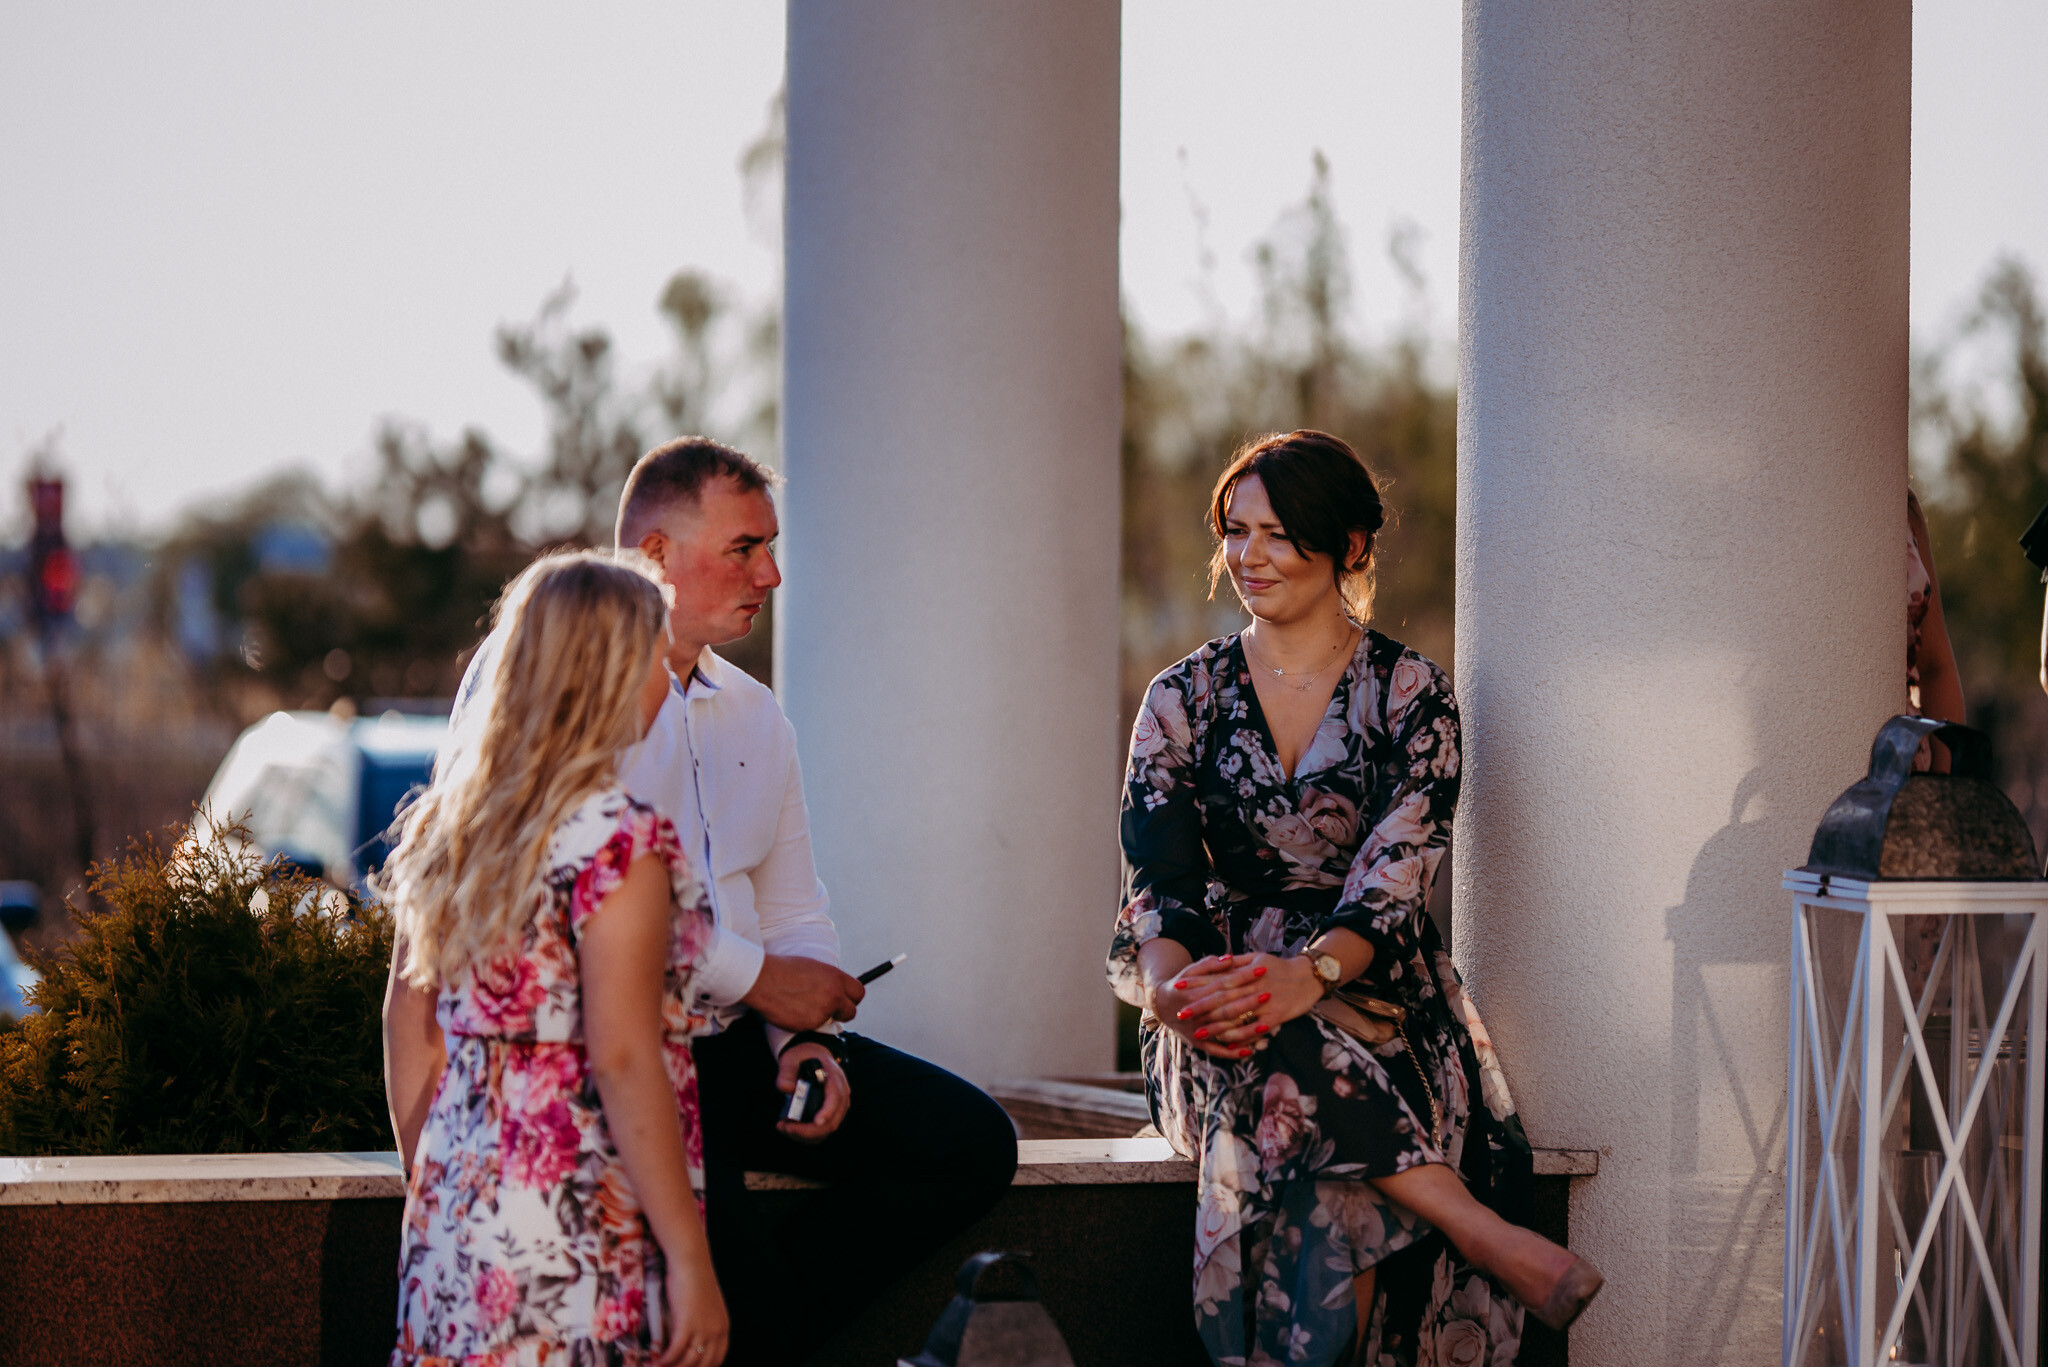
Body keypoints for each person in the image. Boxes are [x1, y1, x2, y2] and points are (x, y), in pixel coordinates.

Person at [440, 438, 1019, 1365]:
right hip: (621, 1057)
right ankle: (748, 1312)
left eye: (770, 547)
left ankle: (754, 1322)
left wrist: (806, 1043)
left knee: (972, 1143)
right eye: (744, 547)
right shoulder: (540, 694)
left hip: (742, 1049)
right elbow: (551, 906)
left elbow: (791, 908)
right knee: (736, 1271)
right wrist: (760, 979)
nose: (771, 574)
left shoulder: (757, 714)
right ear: (656, 555)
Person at [1107, 431, 1601, 1367]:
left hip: (1377, 1000)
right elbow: (1160, 882)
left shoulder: (1413, 695)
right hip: (1214, 1005)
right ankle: (1478, 1228)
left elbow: (1395, 879)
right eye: (1235, 530)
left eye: (1277, 533)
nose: (1248, 556)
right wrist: (1174, 993)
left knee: (1322, 1170)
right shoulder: (1180, 698)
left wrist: (1307, 976)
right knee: (1265, 1036)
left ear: (1351, 545)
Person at [380, 551, 728, 1365]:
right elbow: (622, 1055)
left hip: (456, 1215)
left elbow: (408, 1021)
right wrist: (689, 1257)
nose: (665, 677)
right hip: (578, 1224)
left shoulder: (451, 830)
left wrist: (439, 1178)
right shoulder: (618, 840)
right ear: (609, 675)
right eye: (656, 655)